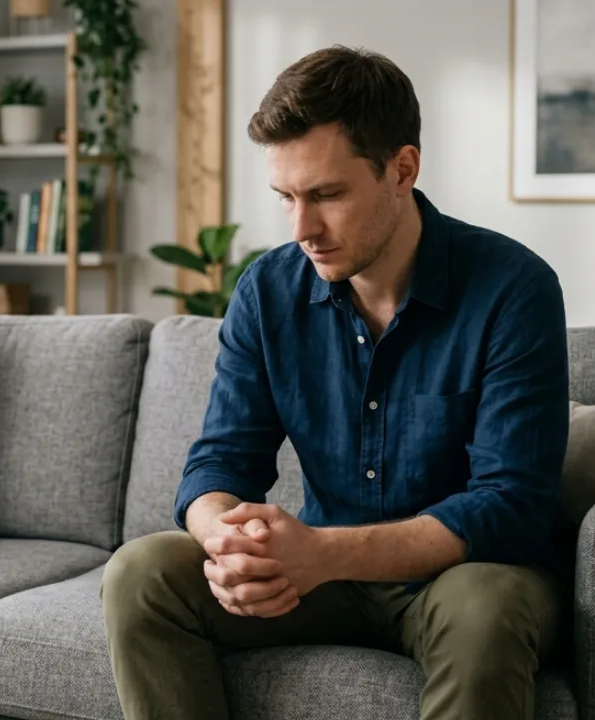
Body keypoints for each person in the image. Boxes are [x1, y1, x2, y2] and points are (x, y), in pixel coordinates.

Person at [101, 45, 570, 720]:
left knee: (487, 608)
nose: (302, 229)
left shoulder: (513, 288)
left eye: (326, 195)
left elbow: (509, 505)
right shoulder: (267, 291)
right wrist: (229, 544)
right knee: (141, 574)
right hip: (322, 580)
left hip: (459, 576)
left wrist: (320, 553)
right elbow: (219, 463)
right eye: (286, 197)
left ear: (402, 169)